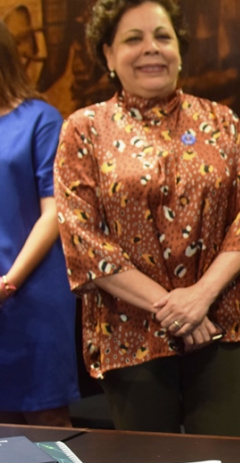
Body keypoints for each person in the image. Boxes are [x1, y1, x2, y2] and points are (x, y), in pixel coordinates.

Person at [54, 0, 240, 436]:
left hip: (216, 323)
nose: (151, 48)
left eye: (162, 37)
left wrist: (200, 298)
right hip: (129, 332)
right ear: (109, 55)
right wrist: (174, 309)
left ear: (179, 51)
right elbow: (83, 239)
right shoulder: (84, 129)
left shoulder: (221, 121)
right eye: (133, 39)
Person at [0, 20, 79, 427]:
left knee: (46, 426)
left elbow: (55, 211)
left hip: (31, 292)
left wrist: (8, 282)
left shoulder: (41, 119)